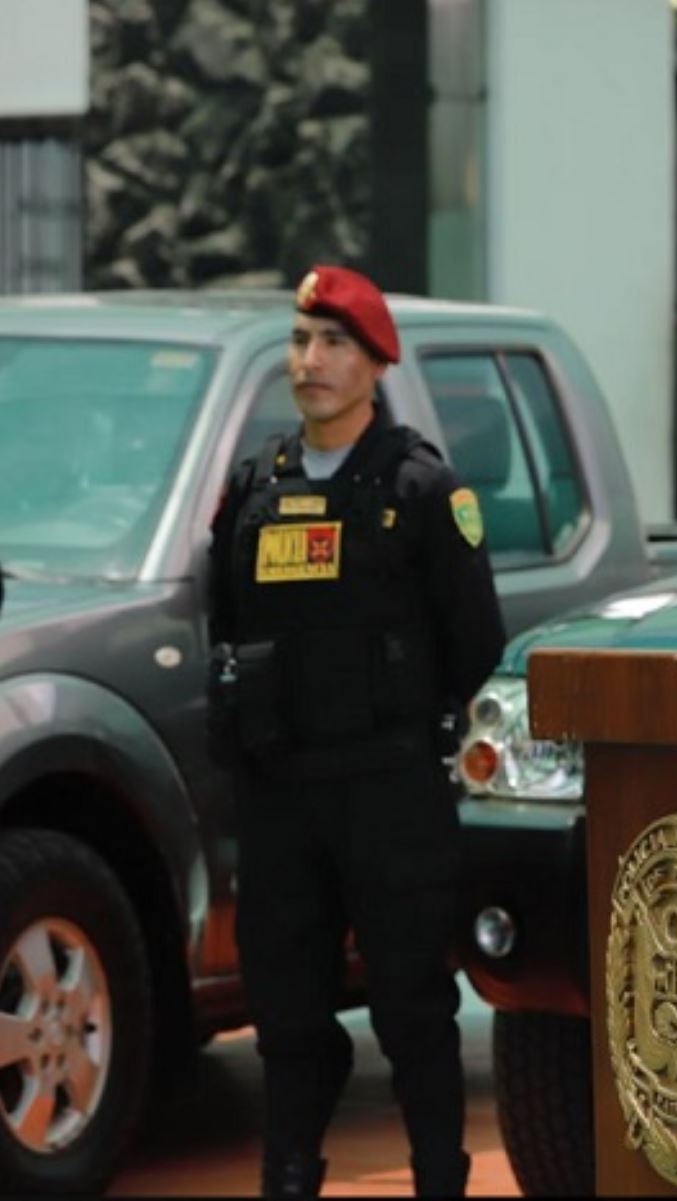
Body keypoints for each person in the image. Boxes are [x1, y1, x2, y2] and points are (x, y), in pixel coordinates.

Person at [206, 265, 506, 1198]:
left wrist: (403, 721)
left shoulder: (419, 487)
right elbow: (226, 620)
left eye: (334, 343)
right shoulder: (258, 485)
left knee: (413, 1009)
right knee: (287, 1010)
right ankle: (289, 1174)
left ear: (376, 363)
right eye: (301, 341)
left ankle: (437, 1179)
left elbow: (476, 638)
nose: (311, 360)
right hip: (283, 793)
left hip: (389, 792)